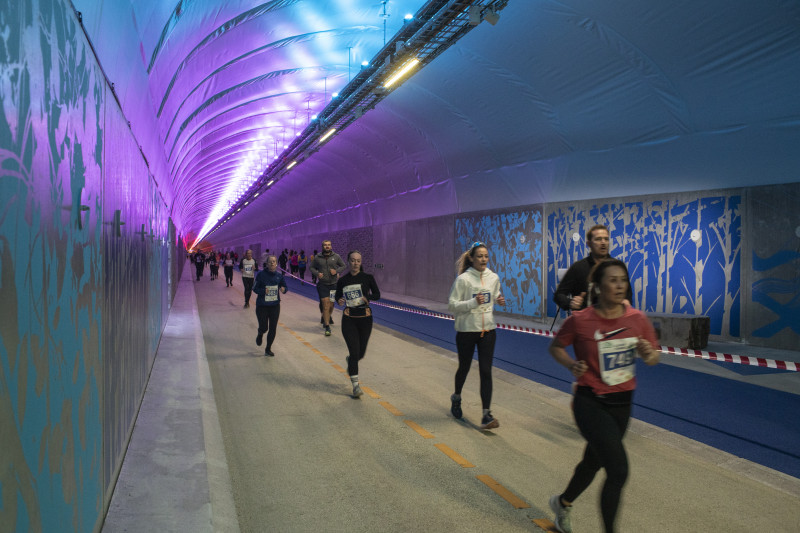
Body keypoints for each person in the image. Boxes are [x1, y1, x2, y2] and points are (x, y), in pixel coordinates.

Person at [547, 259, 659, 533]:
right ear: (597, 286)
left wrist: (648, 354)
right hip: (590, 402)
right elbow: (556, 347)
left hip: (622, 404)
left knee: (593, 461)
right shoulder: (582, 320)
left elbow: (654, 356)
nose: (620, 285)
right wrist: (572, 365)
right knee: (618, 470)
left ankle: (563, 502)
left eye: (623, 280)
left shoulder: (637, 319)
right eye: (613, 280)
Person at [447, 241, 506, 430]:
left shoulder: (494, 277)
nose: (483, 259)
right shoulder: (463, 279)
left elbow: (495, 294)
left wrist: (499, 299)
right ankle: (456, 397)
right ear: (472, 258)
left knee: (486, 371)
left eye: (486, 256)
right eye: (479, 256)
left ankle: (486, 414)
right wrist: (473, 302)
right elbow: (452, 305)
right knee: (464, 368)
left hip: (488, 331)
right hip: (466, 332)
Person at [553, 225, 631, 312]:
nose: (603, 242)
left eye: (606, 239)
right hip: (585, 321)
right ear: (589, 244)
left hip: (613, 321)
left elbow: (628, 292)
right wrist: (570, 302)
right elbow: (559, 295)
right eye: (598, 239)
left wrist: (626, 300)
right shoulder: (578, 267)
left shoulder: (618, 267)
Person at [336, 251, 380, 397]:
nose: (355, 263)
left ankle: (350, 361)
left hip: (365, 319)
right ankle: (355, 386)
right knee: (354, 352)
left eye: (358, 261)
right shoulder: (343, 280)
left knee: (360, 353)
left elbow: (377, 295)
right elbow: (337, 295)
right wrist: (339, 300)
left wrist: (367, 297)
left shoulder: (367, 278)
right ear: (348, 261)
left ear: (361, 262)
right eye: (353, 260)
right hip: (349, 319)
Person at [252, 255, 288, 356]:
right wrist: (264, 291)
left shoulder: (279, 276)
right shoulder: (261, 275)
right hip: (262, 306)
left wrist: (283, 289)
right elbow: (254, 288)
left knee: (273, 328)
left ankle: (268, 348)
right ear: (267, 264)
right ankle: (260, 333)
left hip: (275, 306)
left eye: (274, 261)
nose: (272, 263)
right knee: (264, 327)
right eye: (270, 261)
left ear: (276, 264)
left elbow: (285, 287)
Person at [309, 240, 346, 336]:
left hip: (333, 285)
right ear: (322, 246)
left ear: (331, 246)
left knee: (331, 305)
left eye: (329, 245)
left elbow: (343, 266)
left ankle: (326, 317)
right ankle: (327, 326)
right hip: (322, 285)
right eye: (325, 245)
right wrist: (317, 274)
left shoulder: (336, 256)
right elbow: (311, 267)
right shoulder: (317, 257)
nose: (327, 246)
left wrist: (337, 271)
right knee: (325, 304)